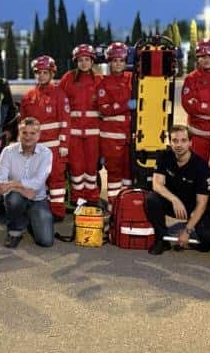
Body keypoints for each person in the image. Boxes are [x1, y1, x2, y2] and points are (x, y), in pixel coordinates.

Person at [144, 125, 210, 255]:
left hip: (195, 206)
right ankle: (161, 240)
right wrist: (174, 200)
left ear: (190, 142)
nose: (179, 145)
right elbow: (157, 184)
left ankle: (194, 236)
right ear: (170, 142)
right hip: (175, 204)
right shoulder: (164, 156)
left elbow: (201, 204)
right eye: (175, 140)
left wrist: (187, 231)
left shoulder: (201, 166)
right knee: (152, 199)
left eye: (183, 140)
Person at [19, 55, 71, 220]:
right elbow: (23, 124)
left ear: (52, 73)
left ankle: (57, 213)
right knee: (35, 180)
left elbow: (65, 121)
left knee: (56, 181)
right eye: (38, 72)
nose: (41, 76)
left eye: (45, 72)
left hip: (54, 147)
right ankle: (36, 213)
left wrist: (64, 144)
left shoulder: (59, 94)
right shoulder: (28, 97)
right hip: (35, 148)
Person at [0, 117, 55, 248]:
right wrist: (22, 190)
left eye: (32, 133)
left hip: (37, 199)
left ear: (38, 135)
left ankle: (29, 220)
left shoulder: (46, 153)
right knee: (14, 199)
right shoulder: (8, 152)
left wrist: (12, 184)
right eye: (24, 132)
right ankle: (14, 232)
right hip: (17, 197)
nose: (28, 137)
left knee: (46, 241)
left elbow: (38, 183)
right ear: (19, 133)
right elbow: (0, 185)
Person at [59, 43, 102, 203]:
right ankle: (78, 200)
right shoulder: (68, 78)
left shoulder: (99, 80)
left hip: (93, 134)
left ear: (92, 61)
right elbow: (59, 100)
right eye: (80, 60)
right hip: (74, 134)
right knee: (76, 169)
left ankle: (93, 199)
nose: (84, 63)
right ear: (76, 62)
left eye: (87, 59)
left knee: (91, 169)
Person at [97, 42, 133, 211]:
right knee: (114, 174)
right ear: (109, 62)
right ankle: (113, 208)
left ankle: (126, 206)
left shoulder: (133, 79)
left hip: (130, 136)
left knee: (129, 174)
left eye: (121, 60)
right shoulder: (103, 84)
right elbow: (105, 109)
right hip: (111, 138)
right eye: (114, 60)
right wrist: (127, 105)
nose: (118, 64)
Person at [181, 38, 210, 161]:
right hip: (199, 136)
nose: (206, 60)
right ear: (198, 58)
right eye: (202, 56)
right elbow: (188, 104)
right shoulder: (191, 79)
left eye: (209, 56)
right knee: (198, 169)